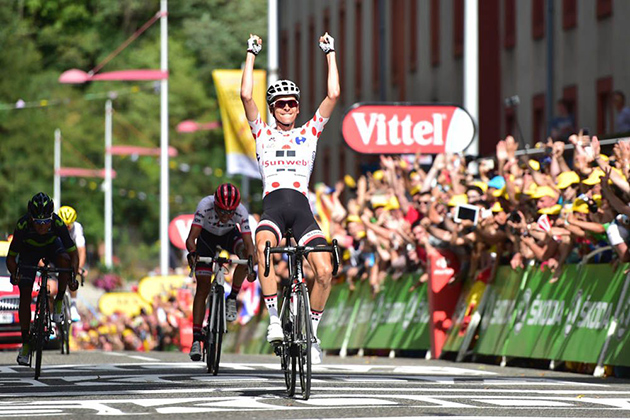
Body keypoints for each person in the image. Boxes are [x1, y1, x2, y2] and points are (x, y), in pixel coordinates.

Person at [240, 31, 340, 364]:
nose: (286, 107)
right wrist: (252, 53)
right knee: (265, 247)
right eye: (280, 104)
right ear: (272, 109)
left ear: (298, 108)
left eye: (292, 103)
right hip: (272, 209)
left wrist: (330, 52)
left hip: (301, 209)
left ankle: (311, 334)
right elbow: (244, 94)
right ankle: (273, 321)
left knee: (325, 270)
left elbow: (334, 93)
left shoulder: (309, 133)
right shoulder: (262, 132)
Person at [5, 192, 79, 366]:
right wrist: (15, 273)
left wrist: (72, 275)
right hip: (29, 252)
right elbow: (10, 257)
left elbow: (73, 253)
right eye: (38, 223)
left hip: (52, 247)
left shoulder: (57, 222)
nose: (42, 227)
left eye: (46, 222)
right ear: (31, 219)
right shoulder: (23, 225)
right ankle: (25, 343)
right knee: (24, 293)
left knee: (64, 262)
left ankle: (59, 300)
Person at [185, 183, 256, 362]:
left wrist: (251, 265)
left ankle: (232, 297)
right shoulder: (205, 205)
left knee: (244, 255)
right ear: (215, 204)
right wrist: (193, 253)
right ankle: (196, 339)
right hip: (206, 240)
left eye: (229, 212)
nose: (225, 215)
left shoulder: (241, 211)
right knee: (202, 288)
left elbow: (249, 245)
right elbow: (191, 238)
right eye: (221, 211)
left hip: (229, 236)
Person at [58, 206, 87, 322]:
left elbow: (81, 250)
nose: (67, 227)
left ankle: (73, 306)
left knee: (72, 276)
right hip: (55, 253)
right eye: (64, 225)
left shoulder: (77, 228)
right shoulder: (52, 226)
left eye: (69, 225)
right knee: (52, 286)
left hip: (70, 254)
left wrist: (79, 267)